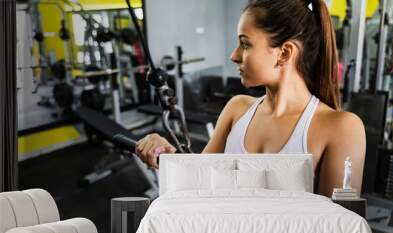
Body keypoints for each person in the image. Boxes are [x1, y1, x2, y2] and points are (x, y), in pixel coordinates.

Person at [135, 0, 366, 198]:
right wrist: (167, 155)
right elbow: (200, 182)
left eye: (245, 44)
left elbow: (338, 232)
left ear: (284, 53)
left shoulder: (341, 128)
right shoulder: (237, 109)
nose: (234, 55)